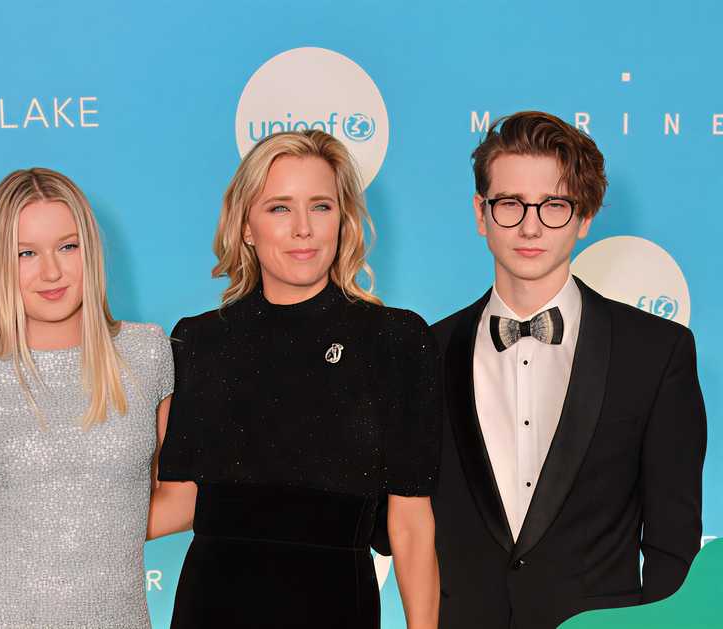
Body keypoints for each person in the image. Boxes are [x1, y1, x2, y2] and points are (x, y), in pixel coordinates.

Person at [150, 130, 441, 628]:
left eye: (321, 206)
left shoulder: (394, 341)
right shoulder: (198, 343)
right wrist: (46, 520)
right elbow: (178, 502)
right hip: (212, 606)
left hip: (335, 606)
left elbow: (411, 524)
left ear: (344, 220)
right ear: (246, 226)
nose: (303, 229)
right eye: (280, 208)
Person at [431, 111, 707, 629]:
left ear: (584, 217)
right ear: (480, 213)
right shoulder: (426, 352)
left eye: (554, 205)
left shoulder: (656, 353)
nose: (530, 225)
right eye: (510, 204)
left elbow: (673, 547)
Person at [0, 167, 174, 628]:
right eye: (27, 253)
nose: (52, 271)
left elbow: (181, 494)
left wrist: (84, 528)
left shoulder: (147, 352)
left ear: (91, 250)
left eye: (67, 246)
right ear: (1, 261)